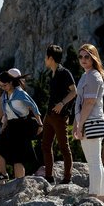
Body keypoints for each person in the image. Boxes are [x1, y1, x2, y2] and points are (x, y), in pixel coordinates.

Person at [0, 69, 43, 179]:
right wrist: (3, 127)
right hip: (10, 126)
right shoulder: (5, 96)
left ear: (11, 82)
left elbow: (33, 107)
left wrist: (40, 124)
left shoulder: (20, 93)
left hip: (21, 126)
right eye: (1, 86)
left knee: (18, 158)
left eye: (4, 85)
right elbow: (7, 114)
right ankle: (3, 174)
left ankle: (19, 182)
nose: (3, 88)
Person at [73, 44, 104, 201]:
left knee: (94, 161)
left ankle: (94, 195)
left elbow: (89, 102)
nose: (83, 60)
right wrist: (76, 124)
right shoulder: (85, 75)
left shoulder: (93, 76)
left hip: (92, 121)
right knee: (95, 160)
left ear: (94, 57)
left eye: (87, 56)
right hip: (87, 120)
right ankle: (100, 195)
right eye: (80, 56)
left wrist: (80, 125)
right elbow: (79, 103)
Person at [42, 45, 77, 184]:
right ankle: (49, 177)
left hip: (60, 116)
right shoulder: (53, 72)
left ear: (50, 58)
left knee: (64, 147)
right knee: (45, 145)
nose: (45, 59)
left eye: (46, 57)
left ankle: (67, 178)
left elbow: (74, 91)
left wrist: (62, 103)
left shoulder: (64, 72)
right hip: (49, 115)